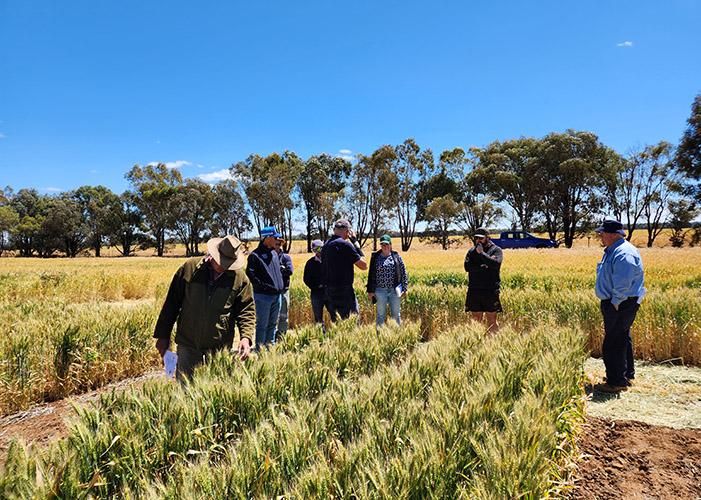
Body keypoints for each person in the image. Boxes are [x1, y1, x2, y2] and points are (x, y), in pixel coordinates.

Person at [153, 235, 254, 383]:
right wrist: (163, 336)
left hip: (219, 346)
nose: (225, 267)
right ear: (214, 255)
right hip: (188, 343)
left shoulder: (240, 278)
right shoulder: (189, 269)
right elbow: (171, 304)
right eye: (222, 262)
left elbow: (246, 310)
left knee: (215, 389)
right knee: (185, 390)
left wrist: (246, 337)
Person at [593, 219, 646, 394]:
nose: (600, 235)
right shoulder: (612, 250)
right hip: (617, 302)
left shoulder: (623, 253)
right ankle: (625, 375)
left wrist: (616, 302)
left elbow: (623, 281)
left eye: (603, 233)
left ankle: (615, 382)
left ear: (615, 234)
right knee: (622, 337)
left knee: (614, 342)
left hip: (619, 303)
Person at [321, 218, 368, 321]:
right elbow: (364, 265)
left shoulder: (325, 245)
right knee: (351, 325)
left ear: (334, 229)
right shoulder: (344, 245)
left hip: (328, 292)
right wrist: (355, 243)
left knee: (337, 325)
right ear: (348, 231)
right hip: (344, 293)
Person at [246, 226, 285, 350]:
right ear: (267, 238)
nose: (277, 240)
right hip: (263, 297)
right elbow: (251, 275)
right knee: (262, 325)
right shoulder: (255, 256)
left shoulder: (274, 253)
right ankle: (260, 350)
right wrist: (265, 287)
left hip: (277, 295)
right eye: (275, 238)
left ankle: (270, 349)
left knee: (273, 324)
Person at [464, 227, 503, 334]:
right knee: (476, 320)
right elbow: (467, 267)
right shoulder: (471, 252)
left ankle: (493, 343)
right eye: (476, 238)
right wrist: (484, 266)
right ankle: (476, 342)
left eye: (481, 238)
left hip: (490, 290)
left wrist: (481, 254)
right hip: (474, 290)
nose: (478, 240)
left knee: (491, 319)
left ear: (488, 238)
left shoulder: (496, 250)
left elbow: (495, 264)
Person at [367, 234, 408, 329]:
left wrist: (404, 288)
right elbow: (371, 274)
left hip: (395, 290)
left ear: (390, 244)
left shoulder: (396, 256)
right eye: (382, 244)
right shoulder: (375, 257)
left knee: (396, 315)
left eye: (386, 244)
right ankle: (380, 337)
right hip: (380, 291)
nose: (384, 246)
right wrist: (370, 291)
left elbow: (403, 272)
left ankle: (396, 336)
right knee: (380, 315)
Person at [303, 239, 332, 331]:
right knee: (318, 318)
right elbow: (306, 279)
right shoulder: (310, 263)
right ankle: (321, 338)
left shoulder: (330, 261)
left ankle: (335, 335)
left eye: (319, 248)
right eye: (314, 250)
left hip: (331, 292)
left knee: (335, 315)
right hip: (316, 294)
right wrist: (315, 287)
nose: (317, 251)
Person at [274, 237, 293, 341]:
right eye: (275, 244)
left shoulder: (286, 258)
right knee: (272, 317)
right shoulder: (269, 257)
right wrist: (282, 268)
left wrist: (279, 269)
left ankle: (281, 337)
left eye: (278, 244)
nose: (277, 246)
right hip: (272, 291)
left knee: (284, 315)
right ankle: (272, 337)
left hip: (284, 290)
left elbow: (289, 271)